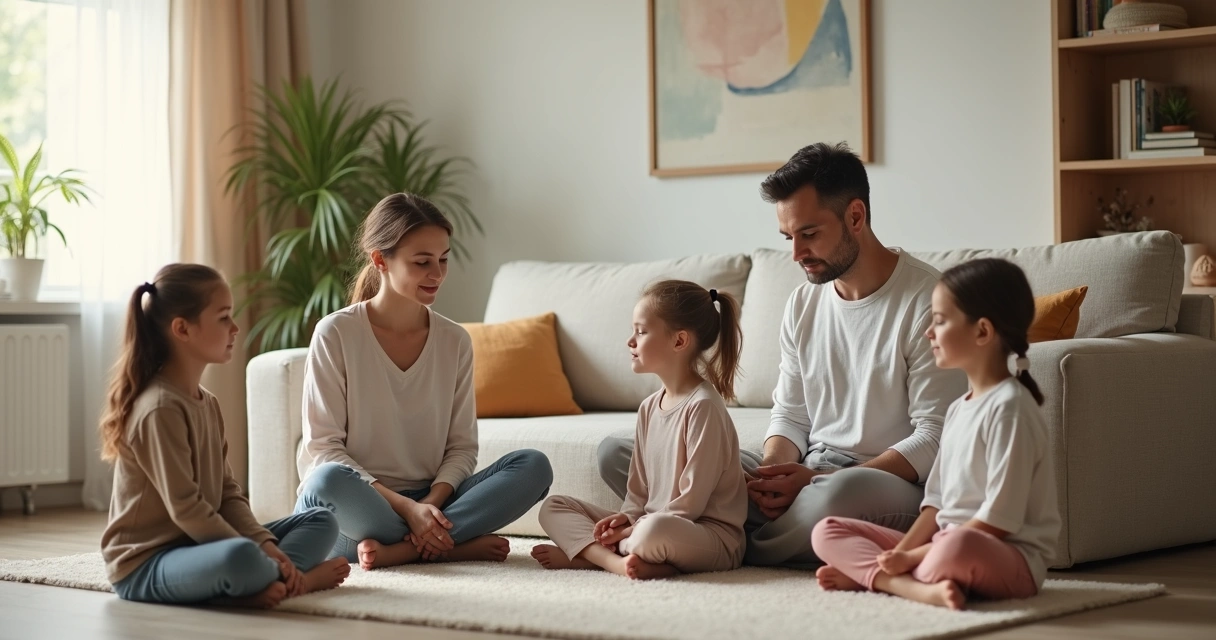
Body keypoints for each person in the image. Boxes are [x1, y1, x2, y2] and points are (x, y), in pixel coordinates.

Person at [597, 142, 966, 567]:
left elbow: (934, 438)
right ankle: (733, 537)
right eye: (789, 238)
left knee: (835, 495)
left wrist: (817, 479)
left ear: (855, 216)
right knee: (618, 453)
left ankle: (732, 545)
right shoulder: (802, 304)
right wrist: (770, 477)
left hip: (880, 482)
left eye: (809, 234)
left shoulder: (931, 301)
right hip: (809, 470)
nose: (796, 254)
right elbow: (791, 415)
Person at [294, 192, 553, 570]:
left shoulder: (454, 340)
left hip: (433, 499)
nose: (437, 274)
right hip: (359, 503)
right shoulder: (336, 333)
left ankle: (403, 551)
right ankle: (449, 543)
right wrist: (406, 509)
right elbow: (324, 448)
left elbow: (462, 448)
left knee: (534, 466)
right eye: (422, 262)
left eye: (443, 259)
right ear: (380, 260)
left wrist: (428, 505)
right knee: (325, 481)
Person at [811, 258, 1060, 610]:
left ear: (982, 332)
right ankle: (902, 582)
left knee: (956, 547)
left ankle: (878, 579)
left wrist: (913, 558)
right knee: (826, 531)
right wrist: (899, 554)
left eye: (940, 321)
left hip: (1006, 557)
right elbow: (936, 503)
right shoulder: (958, 408)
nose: (929, 332)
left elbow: (999, 520)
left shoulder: (1011, 409)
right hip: (943, 544)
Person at [100, 264, 349, 608]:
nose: (235, 328)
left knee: (321, 521)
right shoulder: (159, 408)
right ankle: (295, 582)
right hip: (146, 564)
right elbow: (187, 509)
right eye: (223, 318)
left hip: (200, 547)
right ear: (182, 329)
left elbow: (227, 494)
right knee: (241, 557)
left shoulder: (208, 403)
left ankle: (265, 581)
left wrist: (266, 545)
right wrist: (256, 550)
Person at [532, 280, 748, 579]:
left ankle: (594, 557)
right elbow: (637, 493)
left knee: (652, 531)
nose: (630, 341)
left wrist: (632, 530)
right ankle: (621, 561)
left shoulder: (703, 406)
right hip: (648, 523)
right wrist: (626, 519)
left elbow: (691, 503)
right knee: (553, 507)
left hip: (707, 536)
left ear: (679, 341)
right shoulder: (648, 407)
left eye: (641, 331)